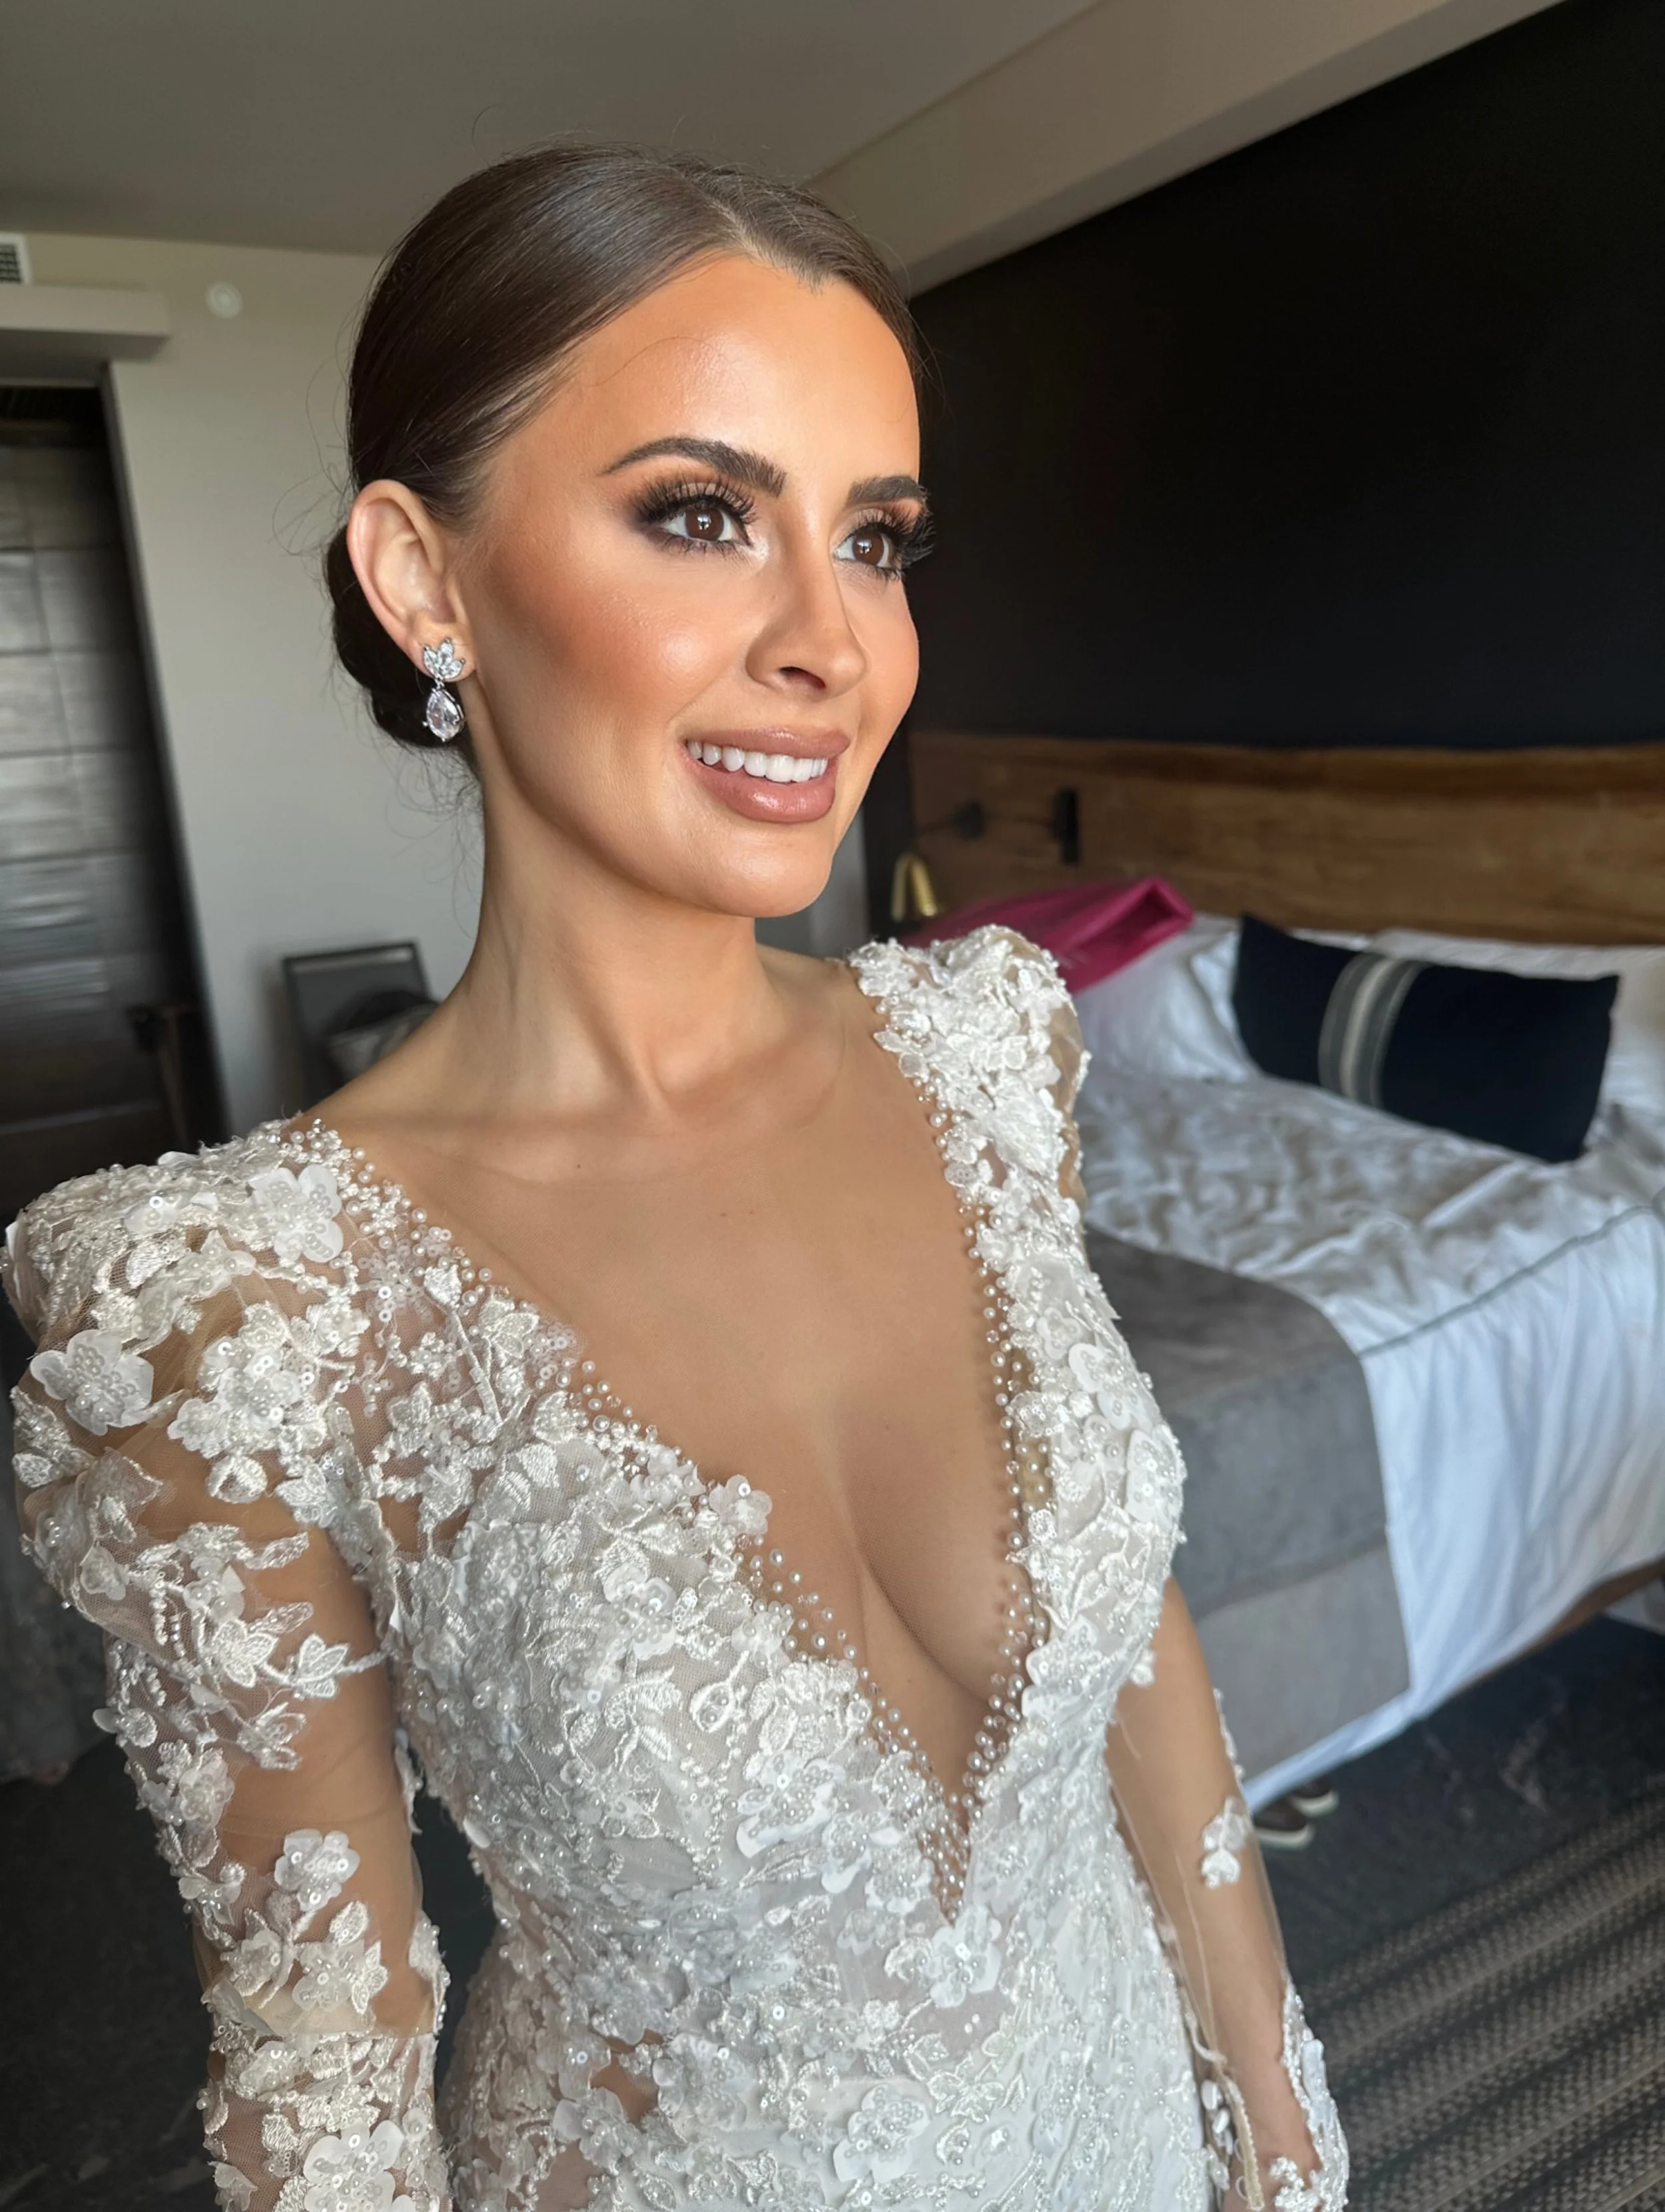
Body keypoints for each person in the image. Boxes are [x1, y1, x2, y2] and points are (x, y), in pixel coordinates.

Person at [3, 144, 1347, 2212]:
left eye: (878, 538)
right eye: (701, 515)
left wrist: (1265, 2119)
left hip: (1115, 2129)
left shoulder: (985, 1051)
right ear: (424, 579)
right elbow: (324, 2075)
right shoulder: (238, 1308)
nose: (834, 641)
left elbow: (1127, 1632)